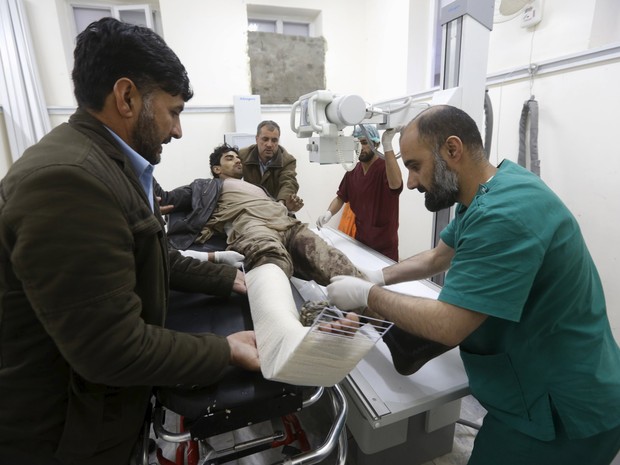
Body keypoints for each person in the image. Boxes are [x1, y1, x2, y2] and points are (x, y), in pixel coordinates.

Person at [0, 18, 259, 465]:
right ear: (126, 97)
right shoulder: (70, 181)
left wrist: (228, 280)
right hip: (63, 439)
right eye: (174, 111)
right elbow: (111, 348)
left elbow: (154, 256)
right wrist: (225, 350)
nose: (177, 131)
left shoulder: (106, 165)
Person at [326, 105, 620, 465]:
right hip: (538, 390)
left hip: (563, 409)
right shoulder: (489, 191)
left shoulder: (506, 214)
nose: (413, 182)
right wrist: (377, 276)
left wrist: (367, 295)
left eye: (415, 166)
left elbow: (449, 325)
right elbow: (437, 258)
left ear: (453, 149)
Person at [158, 143, 362, 287]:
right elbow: (165, 198)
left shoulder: (256, 188)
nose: (237, 160)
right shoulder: (205, 186)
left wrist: (288, 207)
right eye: (229, 158)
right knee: (272, 264)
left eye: (238, 158)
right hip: (252, 225)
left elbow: (281, 197)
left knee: (336, 264)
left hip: (287, 224)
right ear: (216, 168)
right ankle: (282, 333)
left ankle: (386, 323)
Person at [316, 124, 403, 261]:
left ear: (376, 144)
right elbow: (341, 197)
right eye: (356, 143)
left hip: (384, 247)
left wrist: (388, 146)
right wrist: (328, 213)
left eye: (364, 143)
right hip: (361, 242)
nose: (360, 147)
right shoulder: (353, 171)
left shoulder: (384, 168)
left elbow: (396, 184)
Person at [238, 120, 304, 213]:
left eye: (274, 140)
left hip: (275, 207)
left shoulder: (287, 160)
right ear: (257, 139)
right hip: (250, 208)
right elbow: (231, 178)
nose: (269, 144)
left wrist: (281, 203)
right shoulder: (243, 155)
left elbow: (289, 182)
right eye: (265, 139)